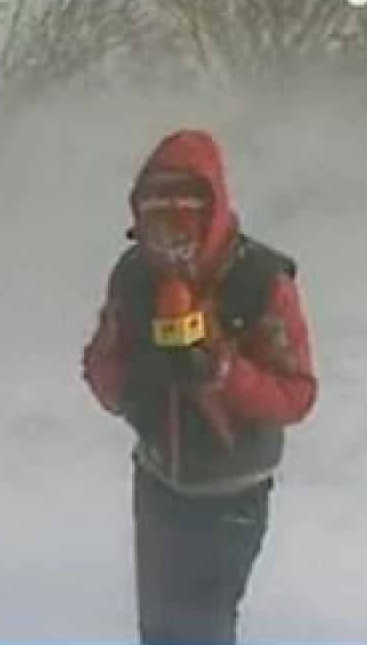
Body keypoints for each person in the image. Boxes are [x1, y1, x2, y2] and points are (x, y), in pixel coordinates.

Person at [82, 129, 318, 644]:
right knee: (161, 632)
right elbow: (99, 366)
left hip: (232, 494)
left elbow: (296, 394)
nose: (168, 240)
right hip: (158, 485)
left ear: (211, 211)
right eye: (154, 222)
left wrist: (221, 373)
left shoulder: (260, 280)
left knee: (201, 633)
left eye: (181, 221)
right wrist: (133, 386)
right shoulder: (133, 276)